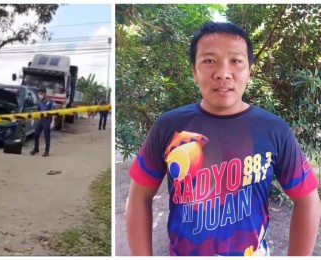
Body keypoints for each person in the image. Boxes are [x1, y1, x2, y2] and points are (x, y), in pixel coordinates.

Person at [126, 21, 321, 256]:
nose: (223, 73)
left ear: (249, 71)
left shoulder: (274, 129)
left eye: (236, 61)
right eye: (209, 61)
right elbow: (138, 197)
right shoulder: (169, 126)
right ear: (194, 72)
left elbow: (307, 200)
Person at [30, 88, 54, 157]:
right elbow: (37, 111)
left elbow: (54, 112)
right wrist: (33, 119)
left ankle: (47, 151)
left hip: (47, 121)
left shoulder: (50, 101)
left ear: (44, 93)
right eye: (39, 94)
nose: (39, 95)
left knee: (47, 136)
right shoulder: (39, 101)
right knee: (36, 135)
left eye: (40, 94)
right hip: (40, 120)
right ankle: (36, 149)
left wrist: (53, 121)